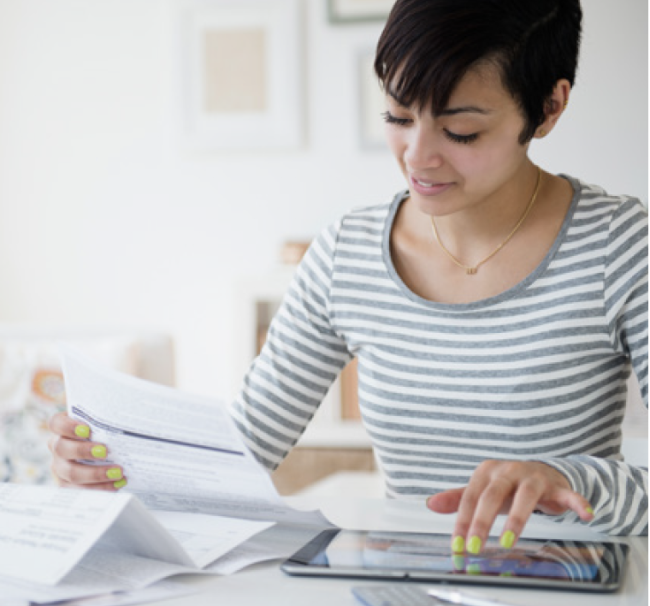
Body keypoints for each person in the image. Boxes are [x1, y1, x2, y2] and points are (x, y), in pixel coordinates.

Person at [48, 0, 647, 555]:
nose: (417, 156)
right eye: (398, 115)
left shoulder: (620, 245)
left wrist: (566, 476)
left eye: (461, 131)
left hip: (564, 584)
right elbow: (241, 454)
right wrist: (110, 467)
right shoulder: (348, 253)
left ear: (549, 107)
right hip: (400, 584)